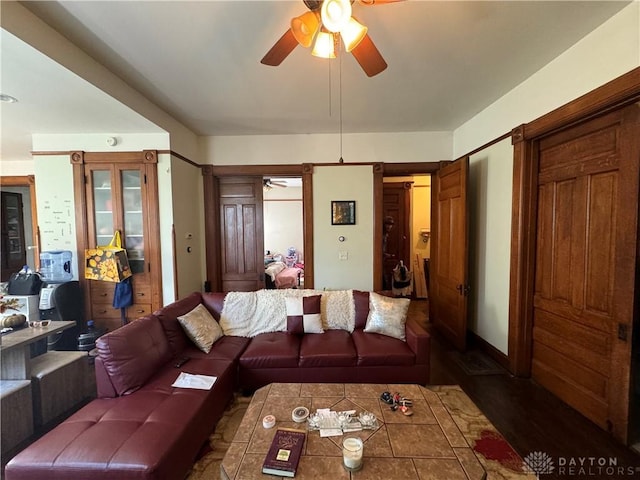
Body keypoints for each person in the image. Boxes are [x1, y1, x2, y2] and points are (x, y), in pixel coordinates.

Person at [382, 216, 394, 289]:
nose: (389, 226)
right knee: (383, 280)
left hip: (384, 259)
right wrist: (385, 254)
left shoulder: (386, 234)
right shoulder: (380, 234)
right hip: (380, 259)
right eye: (387, 224)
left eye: (391, 224)